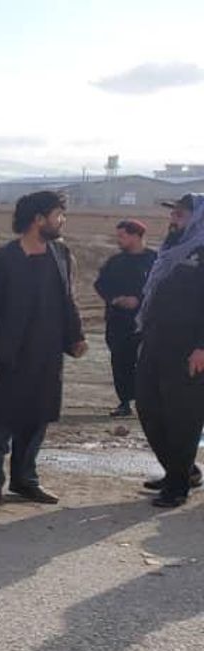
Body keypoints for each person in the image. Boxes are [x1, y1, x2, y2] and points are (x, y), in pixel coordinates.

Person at [0, 191, 88, 508]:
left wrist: (75, 338)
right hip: (8, 356)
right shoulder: (4, 259)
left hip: (47, 357)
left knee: (36, 420)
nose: (62, 220)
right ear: (38, 219)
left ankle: (25, 481)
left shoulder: (61, 255)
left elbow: (69, 300)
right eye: (57, 214)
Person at [135, 193, 204, 507]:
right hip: (155, 341)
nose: (173, 220)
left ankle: (177, 487)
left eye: (180, 215)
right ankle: (182, 469)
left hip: (189, 349)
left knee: (182, 417)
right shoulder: (171, 249)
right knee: (149, 407)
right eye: (173, 214)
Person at [94, 220, 157, 417]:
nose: (118, 240)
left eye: (122, 236)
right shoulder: (115, 262)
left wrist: (139, 300)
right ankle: (124, 402)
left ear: (136, 235)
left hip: (147, 322)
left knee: (148, 362)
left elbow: (162, 287)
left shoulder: (155, 260)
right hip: (119, 322)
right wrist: (116, 299)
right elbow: (101, 284)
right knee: (121, 361)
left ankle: (150, 402)